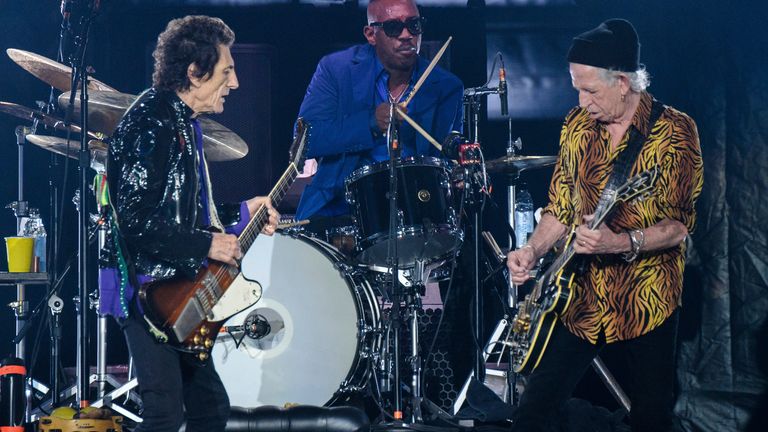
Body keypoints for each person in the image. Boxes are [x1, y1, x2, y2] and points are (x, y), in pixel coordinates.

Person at [506, 18, 703, 432]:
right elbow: (560, 208)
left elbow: (679, 226)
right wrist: (532, 250)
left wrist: (620, 242)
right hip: (580, 295)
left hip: (646, 296)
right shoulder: (576, 127)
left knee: (650, 418)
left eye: (589, 90)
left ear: (623, 83)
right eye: (575, 87)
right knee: (532, 412)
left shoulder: (674, 132)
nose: (581, 101)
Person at [98, 16, 280, 432]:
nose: (233, 84)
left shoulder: (182, 122)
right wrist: (206, 245)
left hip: (178, 287)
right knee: (163, 414)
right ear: (195, 73)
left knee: (210, 409)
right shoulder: (151, 122)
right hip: (148, 293)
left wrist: (245, 212)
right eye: (227, 71)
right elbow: (137, 221)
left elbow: (186, 212)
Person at [294, 0, 464, 230]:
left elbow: (444, 160)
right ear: (371, 34)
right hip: (339, 210)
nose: (406, 35)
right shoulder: (336, 70)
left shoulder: (447, 87)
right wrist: (371, 123)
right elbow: (305, 141)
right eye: (394, 27)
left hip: (415, 215)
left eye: (414, 25)